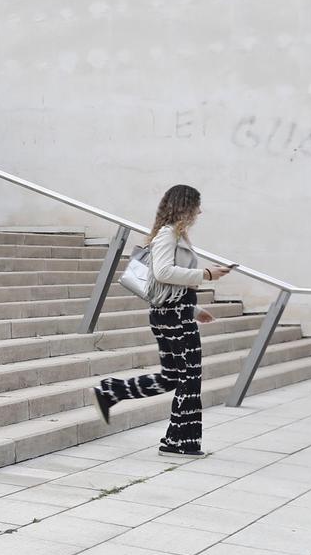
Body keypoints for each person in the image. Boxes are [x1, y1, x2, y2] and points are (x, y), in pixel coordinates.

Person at [89, 184, 235, 455]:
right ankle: (180, 443)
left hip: (175, 313)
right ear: (185, 207)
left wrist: (194, 309)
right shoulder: (167, 236)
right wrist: (207, 274)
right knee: (190, 377)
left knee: (171, 377)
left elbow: (170, 285)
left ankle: (111, 391)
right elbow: (164, 272)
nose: (200, 211)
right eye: (196, 206)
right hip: (173, 318)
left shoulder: (174, 236)